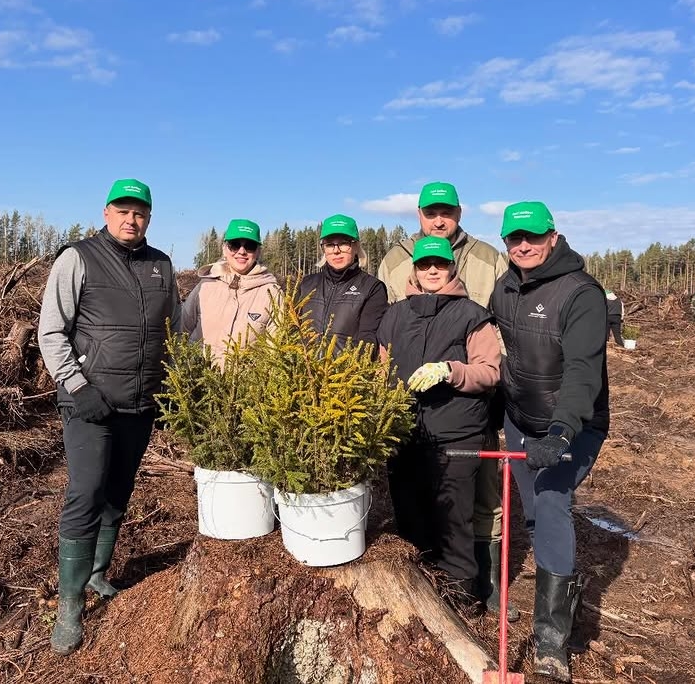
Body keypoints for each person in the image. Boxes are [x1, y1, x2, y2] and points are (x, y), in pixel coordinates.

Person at [38, 179, 181, 655]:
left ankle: (98, 574)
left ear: (149, 217)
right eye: (122, 210)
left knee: (118, 491)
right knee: (85, 494)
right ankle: (70, 606)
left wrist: (172, 385)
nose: (130, 219)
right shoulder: (77, 258)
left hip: (140, 403)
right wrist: (77, 386)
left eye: (139, 212)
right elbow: (51, 331)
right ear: (106, 213)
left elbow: (175, 330)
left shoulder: (161, 265)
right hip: (89, 403)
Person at [377, 182, 513, 617]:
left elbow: (490, 371)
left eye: (440, 264)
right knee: (412, 515)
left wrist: (451, 371)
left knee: (455, 518)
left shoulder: (472, 315)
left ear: (451, 267)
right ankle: (421, 595)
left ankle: (461, 596)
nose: (432, 270)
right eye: (425, 264)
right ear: (413, 270)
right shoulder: (395, 315)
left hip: (457, 432)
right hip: (406, 433)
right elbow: (381, 369)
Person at [488, 201, 609, 682]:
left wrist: (561, 432)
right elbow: (502, 352)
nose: (524, 246)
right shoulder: (504, 289)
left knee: (553, 499)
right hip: (521, 420)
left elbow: (583, 372)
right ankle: (557, 582)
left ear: (552, 237)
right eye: (514, 238)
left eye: (533, 237)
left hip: (573, 425)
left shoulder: (581, 293)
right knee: (535, 511)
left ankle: (551, 642)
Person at [182, 218, 281, 365]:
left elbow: (275, 352)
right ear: (224, 248)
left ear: (258, 251)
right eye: (234, 245)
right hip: (198, 376)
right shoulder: (205, 286)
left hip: (246, 380)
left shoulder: (272, 294)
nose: (242, 251)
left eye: (250, 246)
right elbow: (181, 332)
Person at [298, 214, 388, 353]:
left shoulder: (372, 288)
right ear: (323, 249)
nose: (336, 250)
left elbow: (368, 341)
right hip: (304, 365)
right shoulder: (306, 284)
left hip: (348, 366)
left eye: (344, 243)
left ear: (356, 246)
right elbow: (292, 328)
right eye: (330, 244)